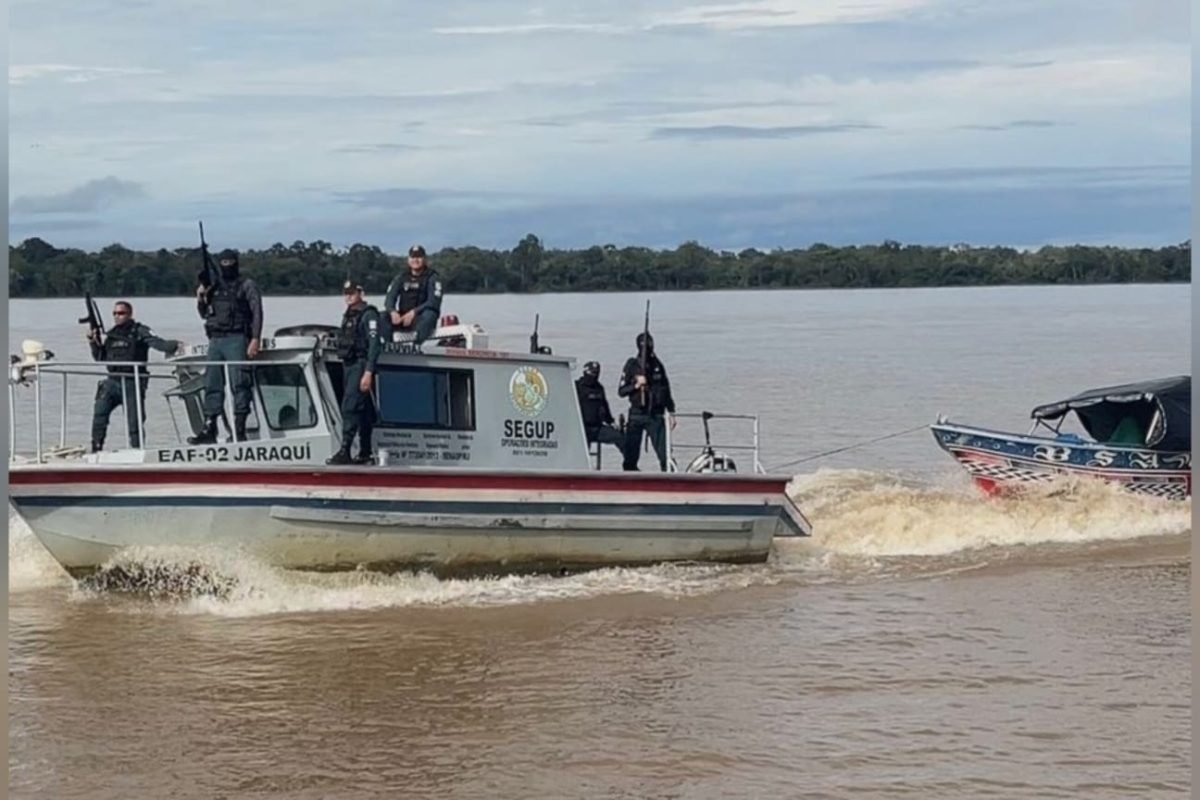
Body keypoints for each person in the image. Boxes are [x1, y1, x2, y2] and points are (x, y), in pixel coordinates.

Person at [188, 248, 264, 444]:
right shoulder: (213, 287)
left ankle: (240, 428)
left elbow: (257, 311)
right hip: (215, 340)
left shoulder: (246, 285)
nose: (227, 266)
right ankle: (210, 427)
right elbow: (204, 314)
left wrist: (255, 338)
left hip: (237, 337)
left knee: (240, 382)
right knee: (212, 383)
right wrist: (201, 297)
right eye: (224, 262)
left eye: (230, 262)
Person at [87, 301, 182, 451]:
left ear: (130, 314)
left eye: (121, 313)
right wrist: (93, 342)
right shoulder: (112, 334)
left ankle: (137, 449)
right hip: (112, 381)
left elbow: (159, 344)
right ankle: (96, 448)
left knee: (135, 421)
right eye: (115, 313)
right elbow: (100, 357)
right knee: (99, 415)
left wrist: (176, 344)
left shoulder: (140, 331)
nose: (117, 316)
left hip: (132, 381)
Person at [327, 279, 382, 465]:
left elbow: (375, 345)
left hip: (360, 364)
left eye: (352, 292)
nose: (348, 296)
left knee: (350, 407)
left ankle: (345, 450)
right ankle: (365, 451)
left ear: (361, 293)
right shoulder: (348, 315)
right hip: (349, 365)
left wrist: (368, 372)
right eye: (346, 293)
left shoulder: (369, 315)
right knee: (363, 409)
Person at [618, 332, 677, 471]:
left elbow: (666, 389)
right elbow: (621, 391)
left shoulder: (658, 365)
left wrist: (672, 411)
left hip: (656, 415)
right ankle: (630, 480)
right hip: (637, 415)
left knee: (665, 455)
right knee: (630, 456)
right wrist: (636, 385)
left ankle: (668, 478)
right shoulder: (631, 365)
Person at [383, 244, 442, 344]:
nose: (416, 260)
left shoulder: (432, 277)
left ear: (425, 259)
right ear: (408, 260)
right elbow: (390, 298)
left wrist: (414, 312)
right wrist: (392, 311)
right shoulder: (401, 277)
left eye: (419, 257)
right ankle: (389, 345)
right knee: (381, 316)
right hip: (403, 317)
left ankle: (416, 347)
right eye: (413, 257)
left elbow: (433, 302)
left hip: (420, 318)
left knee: (430, 315)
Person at [575, 361, 623, 453]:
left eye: (597, 373)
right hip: (582, 429)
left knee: (620, 437)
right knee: (582, 453)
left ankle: (630, 465)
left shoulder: (599, 388)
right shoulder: (577, 387)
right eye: (593, 373)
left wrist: (611, 422)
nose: (595, 375)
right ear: (586, 372)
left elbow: (604, 405)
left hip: (598, 428)